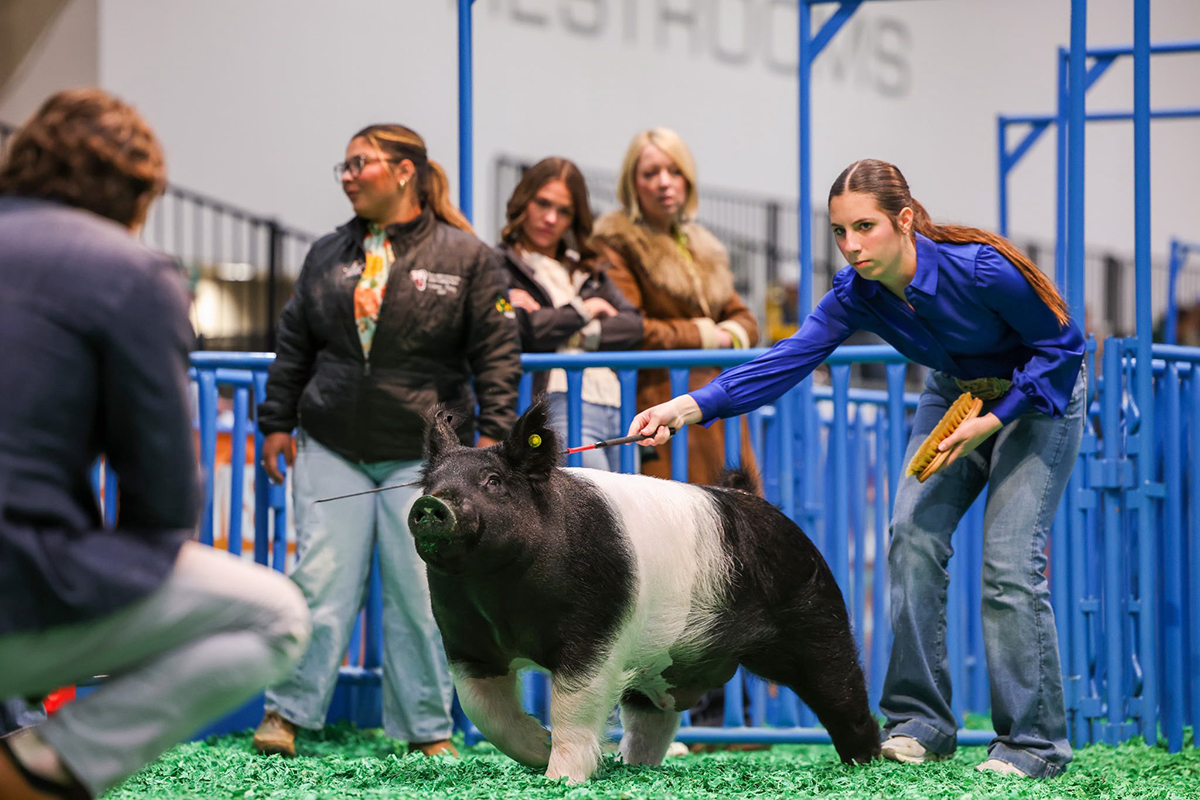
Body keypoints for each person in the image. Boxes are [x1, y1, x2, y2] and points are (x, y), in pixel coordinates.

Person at [630, 159, 1086, 780]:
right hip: (955, 393)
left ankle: (1034, 744)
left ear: (904, 221)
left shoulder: (980, 268)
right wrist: (688, 405)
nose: (850, 246)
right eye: (839, 232)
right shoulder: (856, 293)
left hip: (1037, 397)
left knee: (1008, 565)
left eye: (864, 227)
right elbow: (787, 358)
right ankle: (920, 723)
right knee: (911, 537)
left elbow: (1064, 345)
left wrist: (997, 416)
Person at [0, 88, 311, 800]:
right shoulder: (129, 272)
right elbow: (162, 505)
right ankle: (39, 768)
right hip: (16, 588)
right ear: (141, 195)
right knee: (278, 616)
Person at [252, 124, 521, 759]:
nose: (347, 175)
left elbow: (497, 354)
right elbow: (295, 344)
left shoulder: (469, 257)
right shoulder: (326, 253)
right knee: (317, 582)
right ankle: (285, 715)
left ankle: (427, 728)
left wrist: (495, 437)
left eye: (359, 163)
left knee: (422, 591)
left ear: (404, 172)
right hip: (330, 442)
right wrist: (275, 423)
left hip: (427, 458)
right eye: (343, 166)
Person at [590, 127, 759, 486]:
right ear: (632, 184)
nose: (664, 182)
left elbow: (745, 319)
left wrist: (724, 335)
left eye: (674, 171)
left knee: (743, 522)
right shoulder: (615, 243)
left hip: (719, 401)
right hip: (659, 402)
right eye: (650, 173)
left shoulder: (705, 247)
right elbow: (632, 328)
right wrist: (706, 334)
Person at [497, 157, 643, 469]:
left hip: (618, 405)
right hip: (558, 406)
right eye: (542, 203)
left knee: (631, 513)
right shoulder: (497, 265)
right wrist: (583, 310)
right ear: (524, 201)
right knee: (593, 509)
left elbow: (633, 325)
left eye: (564, 211)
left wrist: (575, 333)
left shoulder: (588, 270)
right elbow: (526, 330)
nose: (550, 218)